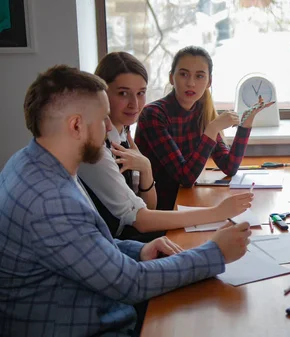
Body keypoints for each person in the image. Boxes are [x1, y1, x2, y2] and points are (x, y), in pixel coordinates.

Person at [0, 65, 251, 336]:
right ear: (76, 125)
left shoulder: (31, 161)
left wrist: (137, 251)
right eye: (102, 119)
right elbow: (130, 284)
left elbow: (85, 244)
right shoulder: (50, 200)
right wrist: (215, 253)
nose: (109, 127)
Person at [78, 52, 253, 242]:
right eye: (123, 93)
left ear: (209, 81)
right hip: (129, 236)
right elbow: (144, 216)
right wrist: (216, 213)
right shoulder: (101, 145)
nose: (134, 104)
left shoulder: (124, 133)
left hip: (151, 220)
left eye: (141, 93)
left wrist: (245, 125)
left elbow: (145, 206)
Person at [135, 46, 274, 210]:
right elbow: (184, 177)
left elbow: (229, 166)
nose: (191, 83)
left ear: (209, 82)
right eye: (184, 74)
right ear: (172, 78)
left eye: (199, 76)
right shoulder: (153, 114)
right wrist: (212, 128)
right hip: (157, 209)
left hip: (186, 203)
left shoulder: (202, 112)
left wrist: (245, 124)